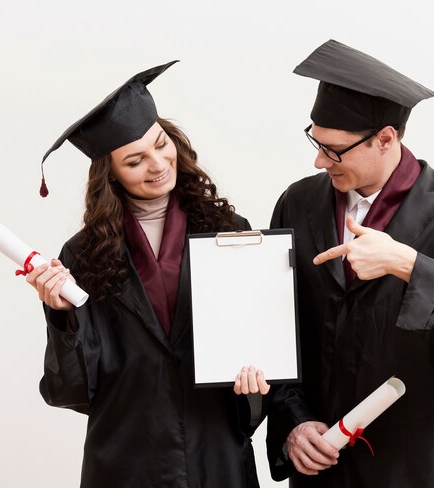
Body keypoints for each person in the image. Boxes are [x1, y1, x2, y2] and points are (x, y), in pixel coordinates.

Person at [266, 40, 434, 488]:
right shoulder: (299, 204)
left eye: (334, 150)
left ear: (386, 138)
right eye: (316, 141)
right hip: (322, 463)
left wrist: (409, 264)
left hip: (415, 468)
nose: (318, 160)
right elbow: (271, 328)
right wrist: (294, 423)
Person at [26, 60, 269, 488]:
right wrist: (62, 316)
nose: (158, 164)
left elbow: (257, 345)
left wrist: (253, 384)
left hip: (215, 450)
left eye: (161, 144)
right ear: (111, 174)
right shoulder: (83, 255)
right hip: (125, 461)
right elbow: (73, 392)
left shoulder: (228, 233)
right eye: (135, 160)